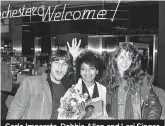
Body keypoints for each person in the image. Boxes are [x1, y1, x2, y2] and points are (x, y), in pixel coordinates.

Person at [100, 43, 162, 119]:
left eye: (128, 58)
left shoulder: (141, 80)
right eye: (122, 57)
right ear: (115, 58)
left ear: (132, 60)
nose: (125, 62)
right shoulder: (107, 80)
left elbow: (154, 105)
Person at [6, 49, 74, 119]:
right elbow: (15, 111)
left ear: (68, 67)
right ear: (50, 64)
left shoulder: (69, 90)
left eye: (64, 64)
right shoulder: (31, 83)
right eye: (56, 62)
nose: (60, 67)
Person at [73, 50, 107, 118]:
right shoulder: (73, 91)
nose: (87, 72)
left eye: (91, 68)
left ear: (97, 71)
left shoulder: (103, 90)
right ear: (79, 71)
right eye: (83, 69)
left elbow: (105, 114)